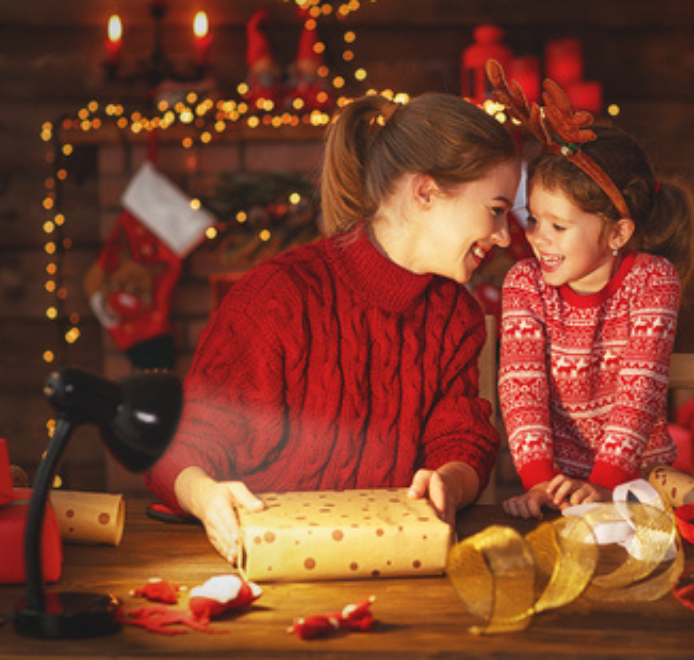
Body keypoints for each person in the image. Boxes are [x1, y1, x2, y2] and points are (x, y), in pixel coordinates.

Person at [144, 92, 521, 561]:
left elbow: (463, 439)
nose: (505, 235)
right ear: (426, 192)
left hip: (388, 563)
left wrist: (450, 479)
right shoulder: (278, 296)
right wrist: (205, 496)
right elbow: (184, 444)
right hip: (263, 562)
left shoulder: (455, 316)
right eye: (496, 209)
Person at [494, 65, 694, 519]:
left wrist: (605, 485)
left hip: (639, 488)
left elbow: (639, 392)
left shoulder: (652, 280)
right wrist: (541, 485)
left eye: (558, 226)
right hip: (554, 488)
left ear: (616, 234)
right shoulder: (525, 284)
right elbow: (520, 389)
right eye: (534, 219)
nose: (537, 237)